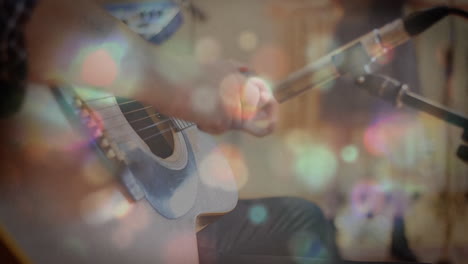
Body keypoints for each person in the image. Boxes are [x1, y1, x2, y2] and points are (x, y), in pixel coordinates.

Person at [1, 0, 342, 263]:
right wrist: (182, 84)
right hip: (52, 189)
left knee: (305, 220)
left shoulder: (164, 17)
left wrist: (210, 88)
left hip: (130, 207)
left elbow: (126, 73)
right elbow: (19, 17)